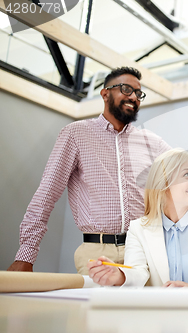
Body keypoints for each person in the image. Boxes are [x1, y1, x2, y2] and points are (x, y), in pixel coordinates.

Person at [8, 67, 171, 274]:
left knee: (144, 307)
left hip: (144, 251)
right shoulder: (76, 134)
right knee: (97, 307)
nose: (134, 97)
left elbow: (183, 177)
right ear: (105, 94)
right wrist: (26, 254)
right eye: (126, 89)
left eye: (138, 94)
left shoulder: (152, 142)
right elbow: (47, 194)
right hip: (98, 254)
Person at [87, 149, 188, 287]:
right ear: (163, 183)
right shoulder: (138, 229)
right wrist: (119, 276)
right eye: (187, 175)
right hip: (160, 316)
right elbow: (137, 273)